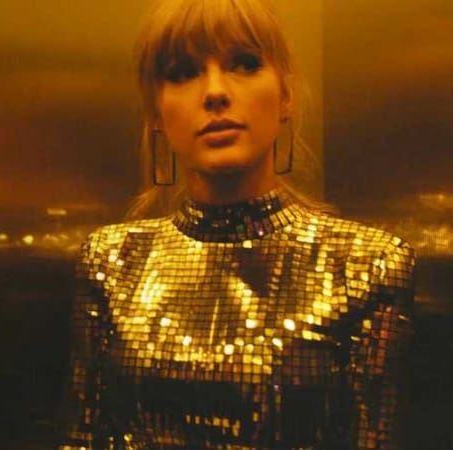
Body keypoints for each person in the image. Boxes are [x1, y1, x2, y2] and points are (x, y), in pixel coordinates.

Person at [58, 0, 416, 449]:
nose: (215, 92)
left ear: (285, 95)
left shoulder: (366, 264)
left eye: (244, 64)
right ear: (155, 112)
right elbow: (84, 435)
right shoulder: (113, 260)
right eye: (183, 72)